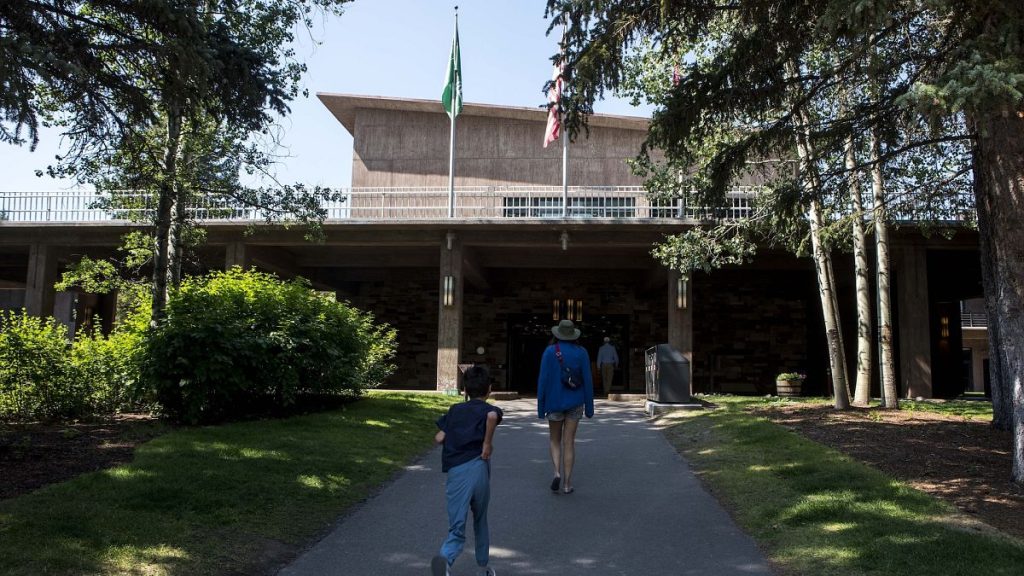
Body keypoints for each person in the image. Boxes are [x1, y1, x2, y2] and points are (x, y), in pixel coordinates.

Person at [432, 366, 503, 576]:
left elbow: (439, 437)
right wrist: (487, 444)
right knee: (480, 518)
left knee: (457, 525)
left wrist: (448, 436)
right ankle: (483, 567)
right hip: (479, 469)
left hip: (456, 473)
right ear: (489, 390)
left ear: (465, 390)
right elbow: (491, 415)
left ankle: (445, 558)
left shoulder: (454, 410)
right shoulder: (489, 409)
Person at [537, 319, 594, 495]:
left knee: (555, 440)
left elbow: (543, 380)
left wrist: (541, 407)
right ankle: (568, 483)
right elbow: (587, 379)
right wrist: (590, 407)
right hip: (575, 402)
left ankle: (556, 472)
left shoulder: (549, 352)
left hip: (554, 402)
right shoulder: (581, 352)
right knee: (569, 442)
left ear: (557, 334)